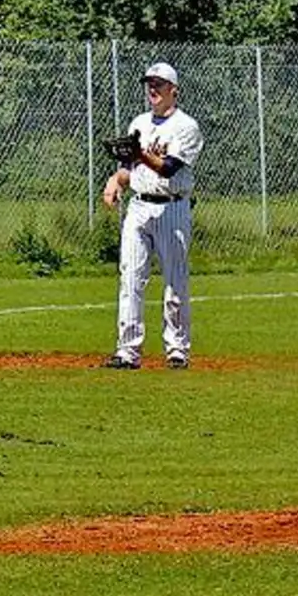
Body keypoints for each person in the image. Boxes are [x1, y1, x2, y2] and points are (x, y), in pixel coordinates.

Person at [100, 62, 205, 370]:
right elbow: (129, 168)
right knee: (130, 276)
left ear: (174, 90)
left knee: (175, 282)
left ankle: (177, 350)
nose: (153, 88)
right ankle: (127, 352)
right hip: (139, 206)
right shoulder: (140, 122)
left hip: (171, 207)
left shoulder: (186, 127)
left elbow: (168, 168)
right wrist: (114, 181)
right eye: (149, 83)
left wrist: (138, 154)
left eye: (159, 83)